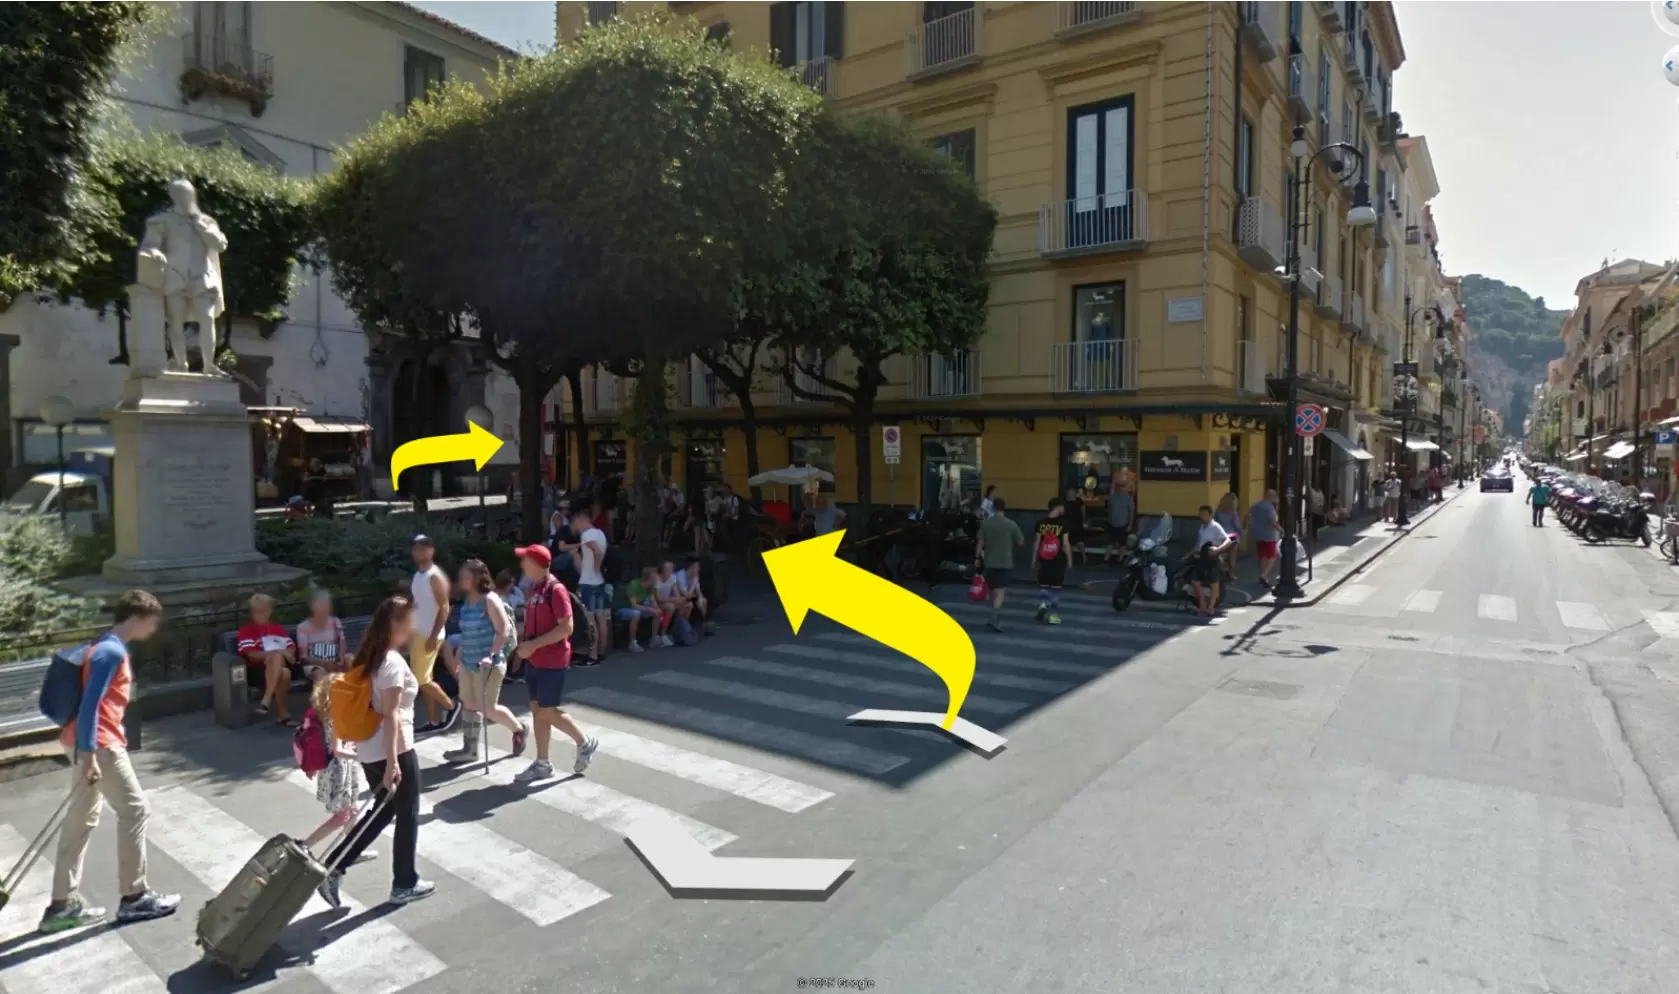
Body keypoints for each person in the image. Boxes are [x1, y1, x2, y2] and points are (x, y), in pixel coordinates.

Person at [39, 590, 180, 933]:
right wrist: (89, 755)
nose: (153, 629)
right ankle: (134, 897)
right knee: (135, 811)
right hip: (100, 745)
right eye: (151, 622)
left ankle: (61, 904)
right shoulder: (111, 652)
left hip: (81, 741)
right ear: (135, 618)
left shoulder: (102, 645)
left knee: (80, 820)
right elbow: (91, 705)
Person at [317, 595, 432, 909]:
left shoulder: (369, 657)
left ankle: (335, 866)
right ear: (396, 624)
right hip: (393, 747)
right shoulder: (391, 662)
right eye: (409, 621)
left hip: (370, 746)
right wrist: (394, 762)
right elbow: (392, 714)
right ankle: (404, 883)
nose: (413, 627)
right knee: (406, 814)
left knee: (383, 812)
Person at [511, 545, 598, 783]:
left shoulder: (555, 590)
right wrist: (523, 642)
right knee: (537, 709)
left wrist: (533, 645)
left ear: (535, 564)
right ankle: (542, 763)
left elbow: (566, 628)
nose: (522, 564)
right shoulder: (533, 589)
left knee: (547, 710)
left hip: (552, 660)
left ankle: (584, 742)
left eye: (525, 560)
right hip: (535, 659)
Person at [444, 559, 531, 763]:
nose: (462, 579)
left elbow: (503, 632)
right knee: (469, 703)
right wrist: (458, 655)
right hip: (468, 661)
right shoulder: (467, 602)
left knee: (488, 707)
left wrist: (490, 655)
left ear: (477, 578)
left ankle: (519, 728)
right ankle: (470, 750)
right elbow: (467, 633)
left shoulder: (490, 600)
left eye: (466, 575)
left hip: (489, 664)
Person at [298, 667, 373, 864]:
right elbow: (338, 750)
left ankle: (352, 851)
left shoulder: (326, 713)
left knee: (352, 811)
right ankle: (304, 845)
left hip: (337, 768)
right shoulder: (337, 716)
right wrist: (361, 756)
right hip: (339, 770)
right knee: (342, 816)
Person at [408, 535, 458, 732]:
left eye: (422, 548)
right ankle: (434, 720)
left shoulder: (434, 576)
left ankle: (451, 706)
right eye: (415, 548)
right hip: (417, 634)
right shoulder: (418, 575)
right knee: (424, 679)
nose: (417, 551)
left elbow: (444, 607)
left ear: (431, 550)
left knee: (421, 679)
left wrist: (433, 635)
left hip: (429, 635)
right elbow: (418, 605)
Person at [237, 593, 298, 727]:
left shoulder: (278, 629)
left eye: (262, 611)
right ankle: (281, 712)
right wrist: (279, 652)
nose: (259, 615)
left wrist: (284, 653)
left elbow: (291, 648)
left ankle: (266, 701)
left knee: (282, 667)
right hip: (258, 671)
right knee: (283, 670)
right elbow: (252, 655)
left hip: (280, 666)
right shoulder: (246, 631)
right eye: (256, 611)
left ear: (270, 611)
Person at [975, 497, 1025, 632]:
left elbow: (980, 543)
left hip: (989, 562)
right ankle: (994, 617)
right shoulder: (1011, 524)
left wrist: (977, 558)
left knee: (993, 589)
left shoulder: (986, 524)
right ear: (1005, 508)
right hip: (1005, 562)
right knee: (1001, 590)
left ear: (993, 507)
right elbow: (1021, 542)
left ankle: (994, 615)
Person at [572, 509, 610, 666]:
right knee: (600, 617)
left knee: (590, 619)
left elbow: (596, 550)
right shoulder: (600, 533)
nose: (576, 527)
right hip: (599, 581)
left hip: (588, 582)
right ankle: (601, 652)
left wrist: (596, 565)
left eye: (576, 524)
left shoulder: (587, 535)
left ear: (582, 520)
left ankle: (592, 656)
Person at [1187, 505, 1232, 617]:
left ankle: (1211, 607)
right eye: (1200, 514)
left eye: (1203, 514)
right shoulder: (1202, 527)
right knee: (1194, 581)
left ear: (1210, 515)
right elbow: (1198, 544)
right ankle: (1202, 605)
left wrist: (1218, 549)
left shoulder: (1215, 526)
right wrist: (1190, 554)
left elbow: (1227, 540)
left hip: (1212, 558)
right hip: (1202, 557)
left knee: (1214, 583)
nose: (1201, 516)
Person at [1034, 498, 1071, 625]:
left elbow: (1037, 542)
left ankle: (1042, 604)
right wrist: (1070, 560)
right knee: (1055, 588)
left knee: (1043, 584)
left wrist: (1034, 559)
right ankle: (1053, 616)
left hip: (1044, 558)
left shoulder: (1041, 523)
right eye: (1063, 507)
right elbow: (1065, 544)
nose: (1064, 509)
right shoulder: (1063, 524)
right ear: (1058, 507)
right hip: (1058, 559)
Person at [295, 589, 349, 675]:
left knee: (350, 659)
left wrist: (341, 656)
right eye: (323, 604)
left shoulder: (335, 621)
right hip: (315, 663)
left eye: (328, 604)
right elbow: (304, 657)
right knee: (319, 673)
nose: (327, 607)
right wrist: (324, 663)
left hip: (335, 660)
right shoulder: (302, 627)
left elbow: (342, 641)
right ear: (313, 606)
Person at [617, 566, 668, 651]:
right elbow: (633, 605)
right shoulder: (634, 585)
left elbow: (652, 599)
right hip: (624, 608)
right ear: (650, 577)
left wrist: (656, 608)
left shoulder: (651, 586)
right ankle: (632, 642)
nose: (658, 577)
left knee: (658, 611)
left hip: (639, 607)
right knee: (636, 613)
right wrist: (650, 609)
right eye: (656, 575)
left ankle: (654, 638)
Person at [1249, 489, 1281, 589]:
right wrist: (1281, 530)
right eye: (1274, 497)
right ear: (1270, 497)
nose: (1275, 499)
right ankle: (1264, 575)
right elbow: (1272, 521)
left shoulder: (1256, 505)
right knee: (1273, 556)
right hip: (1269, 535)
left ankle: (1263, 578)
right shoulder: (1269, 507)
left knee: (1263, 556)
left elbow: (1249, 516)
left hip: (1258, 534)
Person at [1103, 479, 1135, 565]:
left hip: (1123, 524)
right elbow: (1109, 510)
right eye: (1119, 486)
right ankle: (1106, 559)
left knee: (1122, 544)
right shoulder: (1112, 498)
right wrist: (1109, 520)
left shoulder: (1129, 498)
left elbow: (1131, 512)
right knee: (1110, 543)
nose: (1120, 488)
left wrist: (1130, 525)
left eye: (1122, 486)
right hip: (1112, 524)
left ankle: (1120, 559)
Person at [1213, 492, 1242, 577]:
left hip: (1221, 535)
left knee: (1222, 552)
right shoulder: (1233, 513)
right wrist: (1244, 529)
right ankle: (1231, 574)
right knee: (1232, 555)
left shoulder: (1218, 511)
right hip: (1233, 536)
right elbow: (1237, 526)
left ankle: (1219, 570)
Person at [1061, 487, 1086, 566]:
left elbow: (1083, 511)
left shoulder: (1066, 502)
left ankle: (1072, 558)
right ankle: (1082, 557)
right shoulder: (1078, 501)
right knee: (1078, 542)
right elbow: (1083, 511)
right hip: (1074, 524)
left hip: (1071, 524)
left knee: (1072, 542)